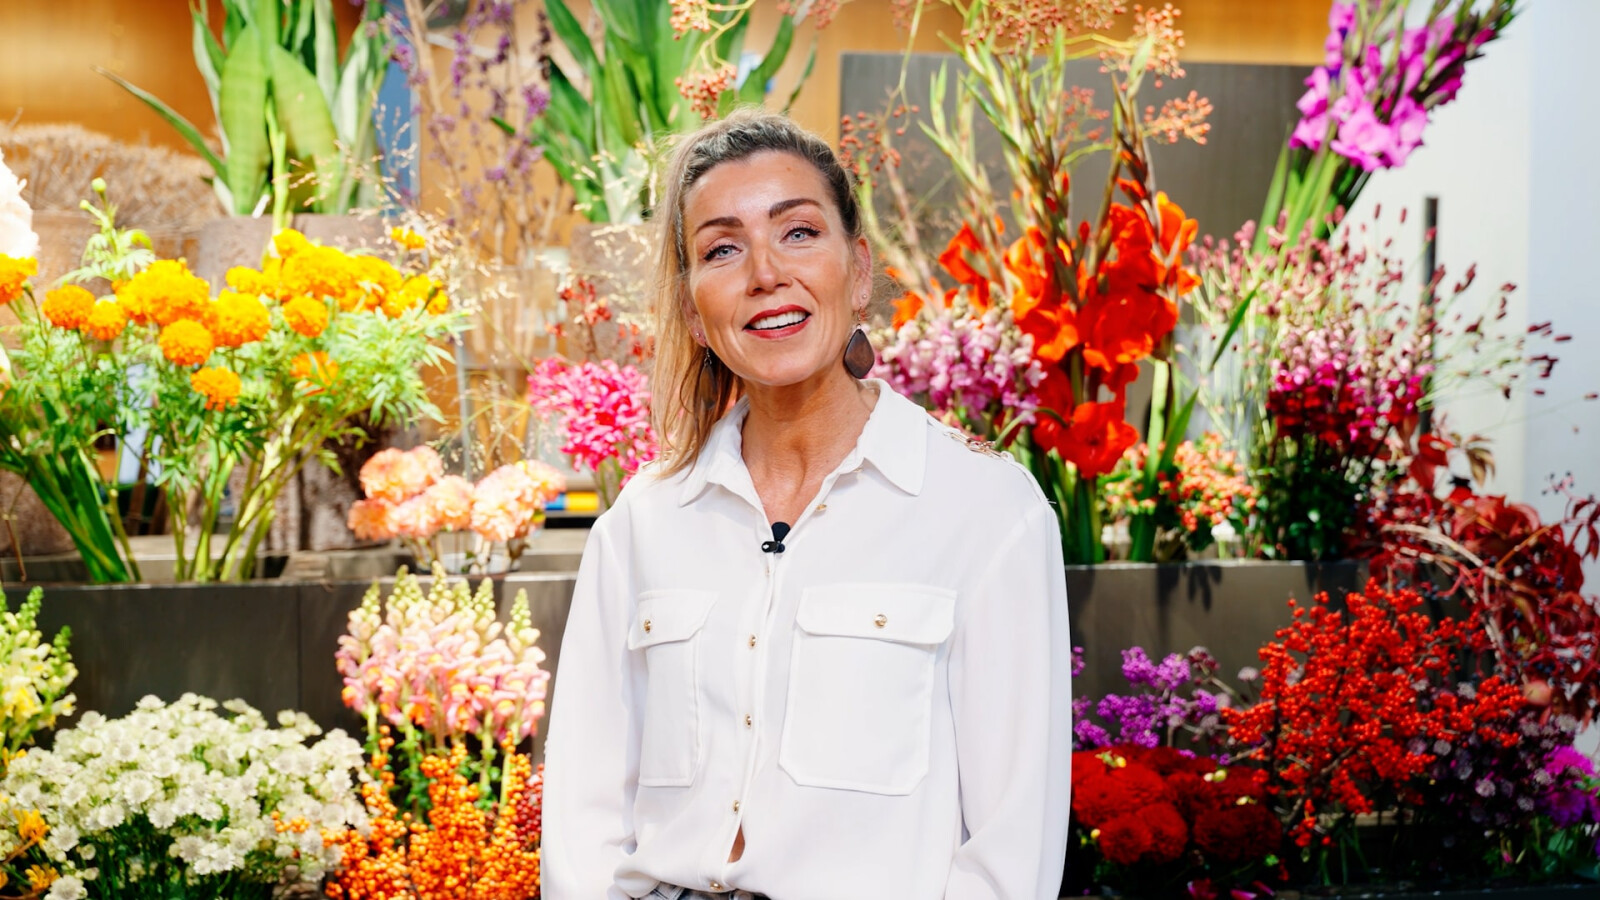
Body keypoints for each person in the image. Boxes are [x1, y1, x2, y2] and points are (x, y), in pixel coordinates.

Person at [542, 109, 1072, 900]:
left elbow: (1009, 853)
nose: (765, 273)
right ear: (692, 310)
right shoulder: (642, 524)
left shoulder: (986, 511)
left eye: (797, 233)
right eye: (722, 249)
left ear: (857, 271)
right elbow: (582, 824)